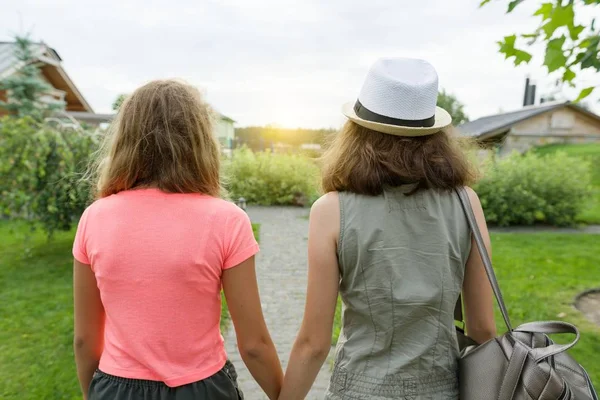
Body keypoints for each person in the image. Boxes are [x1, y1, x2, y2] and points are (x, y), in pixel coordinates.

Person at [278, 58, 497, 400]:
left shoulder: (331, 210)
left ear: (356, 131)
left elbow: (313, 345)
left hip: (360, 390)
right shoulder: (467, 203)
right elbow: (483, 328)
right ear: (435, 135)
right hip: (442, 389)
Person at [72, 80, 283, 400]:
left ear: (124, 139)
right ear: (199, 140)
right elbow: (253, 345)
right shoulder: (227, 220)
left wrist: (96, 393)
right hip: (203, 389)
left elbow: (85, 341)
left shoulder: (95, 217)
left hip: (115, 387)